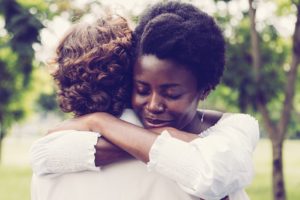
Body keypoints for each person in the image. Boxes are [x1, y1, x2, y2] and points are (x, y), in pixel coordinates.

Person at [30, 2, 259, 200]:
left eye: (171, 94)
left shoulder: (48, 164)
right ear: (130, 76)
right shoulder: (191, 164)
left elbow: (40, 155)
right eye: (142, 89)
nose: (153, 105)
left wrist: (101, 122)